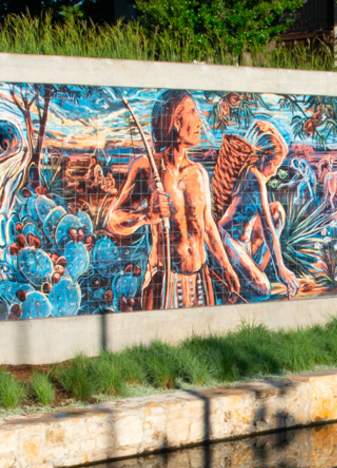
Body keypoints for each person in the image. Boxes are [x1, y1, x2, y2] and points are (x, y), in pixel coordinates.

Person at [107, 89, 240, 309]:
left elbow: (207, 226)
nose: (200, 120)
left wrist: (226, 266)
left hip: (200, 277)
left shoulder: (198, 173)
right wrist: (147, 216)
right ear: (175, 121)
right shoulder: (147, 168)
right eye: (193, 112)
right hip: (164, 279)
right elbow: (114, 220)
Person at [216, 120, 300, 298]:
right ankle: (252, 280)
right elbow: (268, 229)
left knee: (277, 210)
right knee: (264, 289)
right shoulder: (255, 178)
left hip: (244, 241)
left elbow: (269, 220)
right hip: (228, 240)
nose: (275, 172)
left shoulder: (255, 175)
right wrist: (281, 268)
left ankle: (252, 274)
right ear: (265, 160)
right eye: (275, 166)